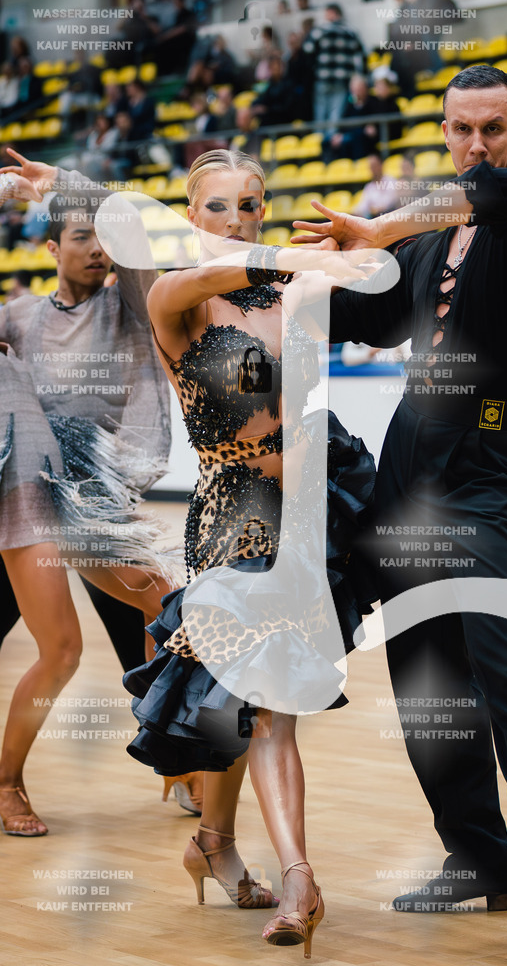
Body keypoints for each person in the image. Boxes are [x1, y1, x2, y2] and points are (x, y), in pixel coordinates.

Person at [293, 63, 507, 954]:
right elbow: (369, 313)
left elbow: (479, 193)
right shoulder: (430, 239)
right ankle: (476, 860)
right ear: (442, 130)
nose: (476, 144)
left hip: (489, 467)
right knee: (426, 683)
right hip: (410, 462)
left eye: (493, 127)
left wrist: (388, 218)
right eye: (460, 128)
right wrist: (265, 282)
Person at [120, 149, 379, 955]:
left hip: (308, 509)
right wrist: (302, 262)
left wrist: (329, 263)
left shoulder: (287, 297)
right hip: (234, 517)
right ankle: (299, 877)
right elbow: (222, 272)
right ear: (192, 220)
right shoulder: (176, 299)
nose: (239, 220)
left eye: (253, 205)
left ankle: (212, 844)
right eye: (221, 208)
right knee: (265, 705)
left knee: (241, 696)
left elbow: (375, 268)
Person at [0, 149, 188, 835]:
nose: (98, 249)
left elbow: (134, 232)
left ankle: (176, 756)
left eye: (103, 238)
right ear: (52, 247)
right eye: (81, 236)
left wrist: (73, 186)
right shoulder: (17, 317)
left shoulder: (132, 304)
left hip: (94, 497)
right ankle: (8, 782)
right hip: (24, 494)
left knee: (169, 614)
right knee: (61, 651)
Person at [303, 4, 364, 128]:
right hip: (342, 79)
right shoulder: (351, 31)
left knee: (321, 113)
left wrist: (314, 66)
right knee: (335, 115)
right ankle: (330, 141)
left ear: (333, 13)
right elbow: (359, 56)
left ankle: (320, 142)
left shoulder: (320, 30)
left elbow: (307, 49)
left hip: (323, 78)